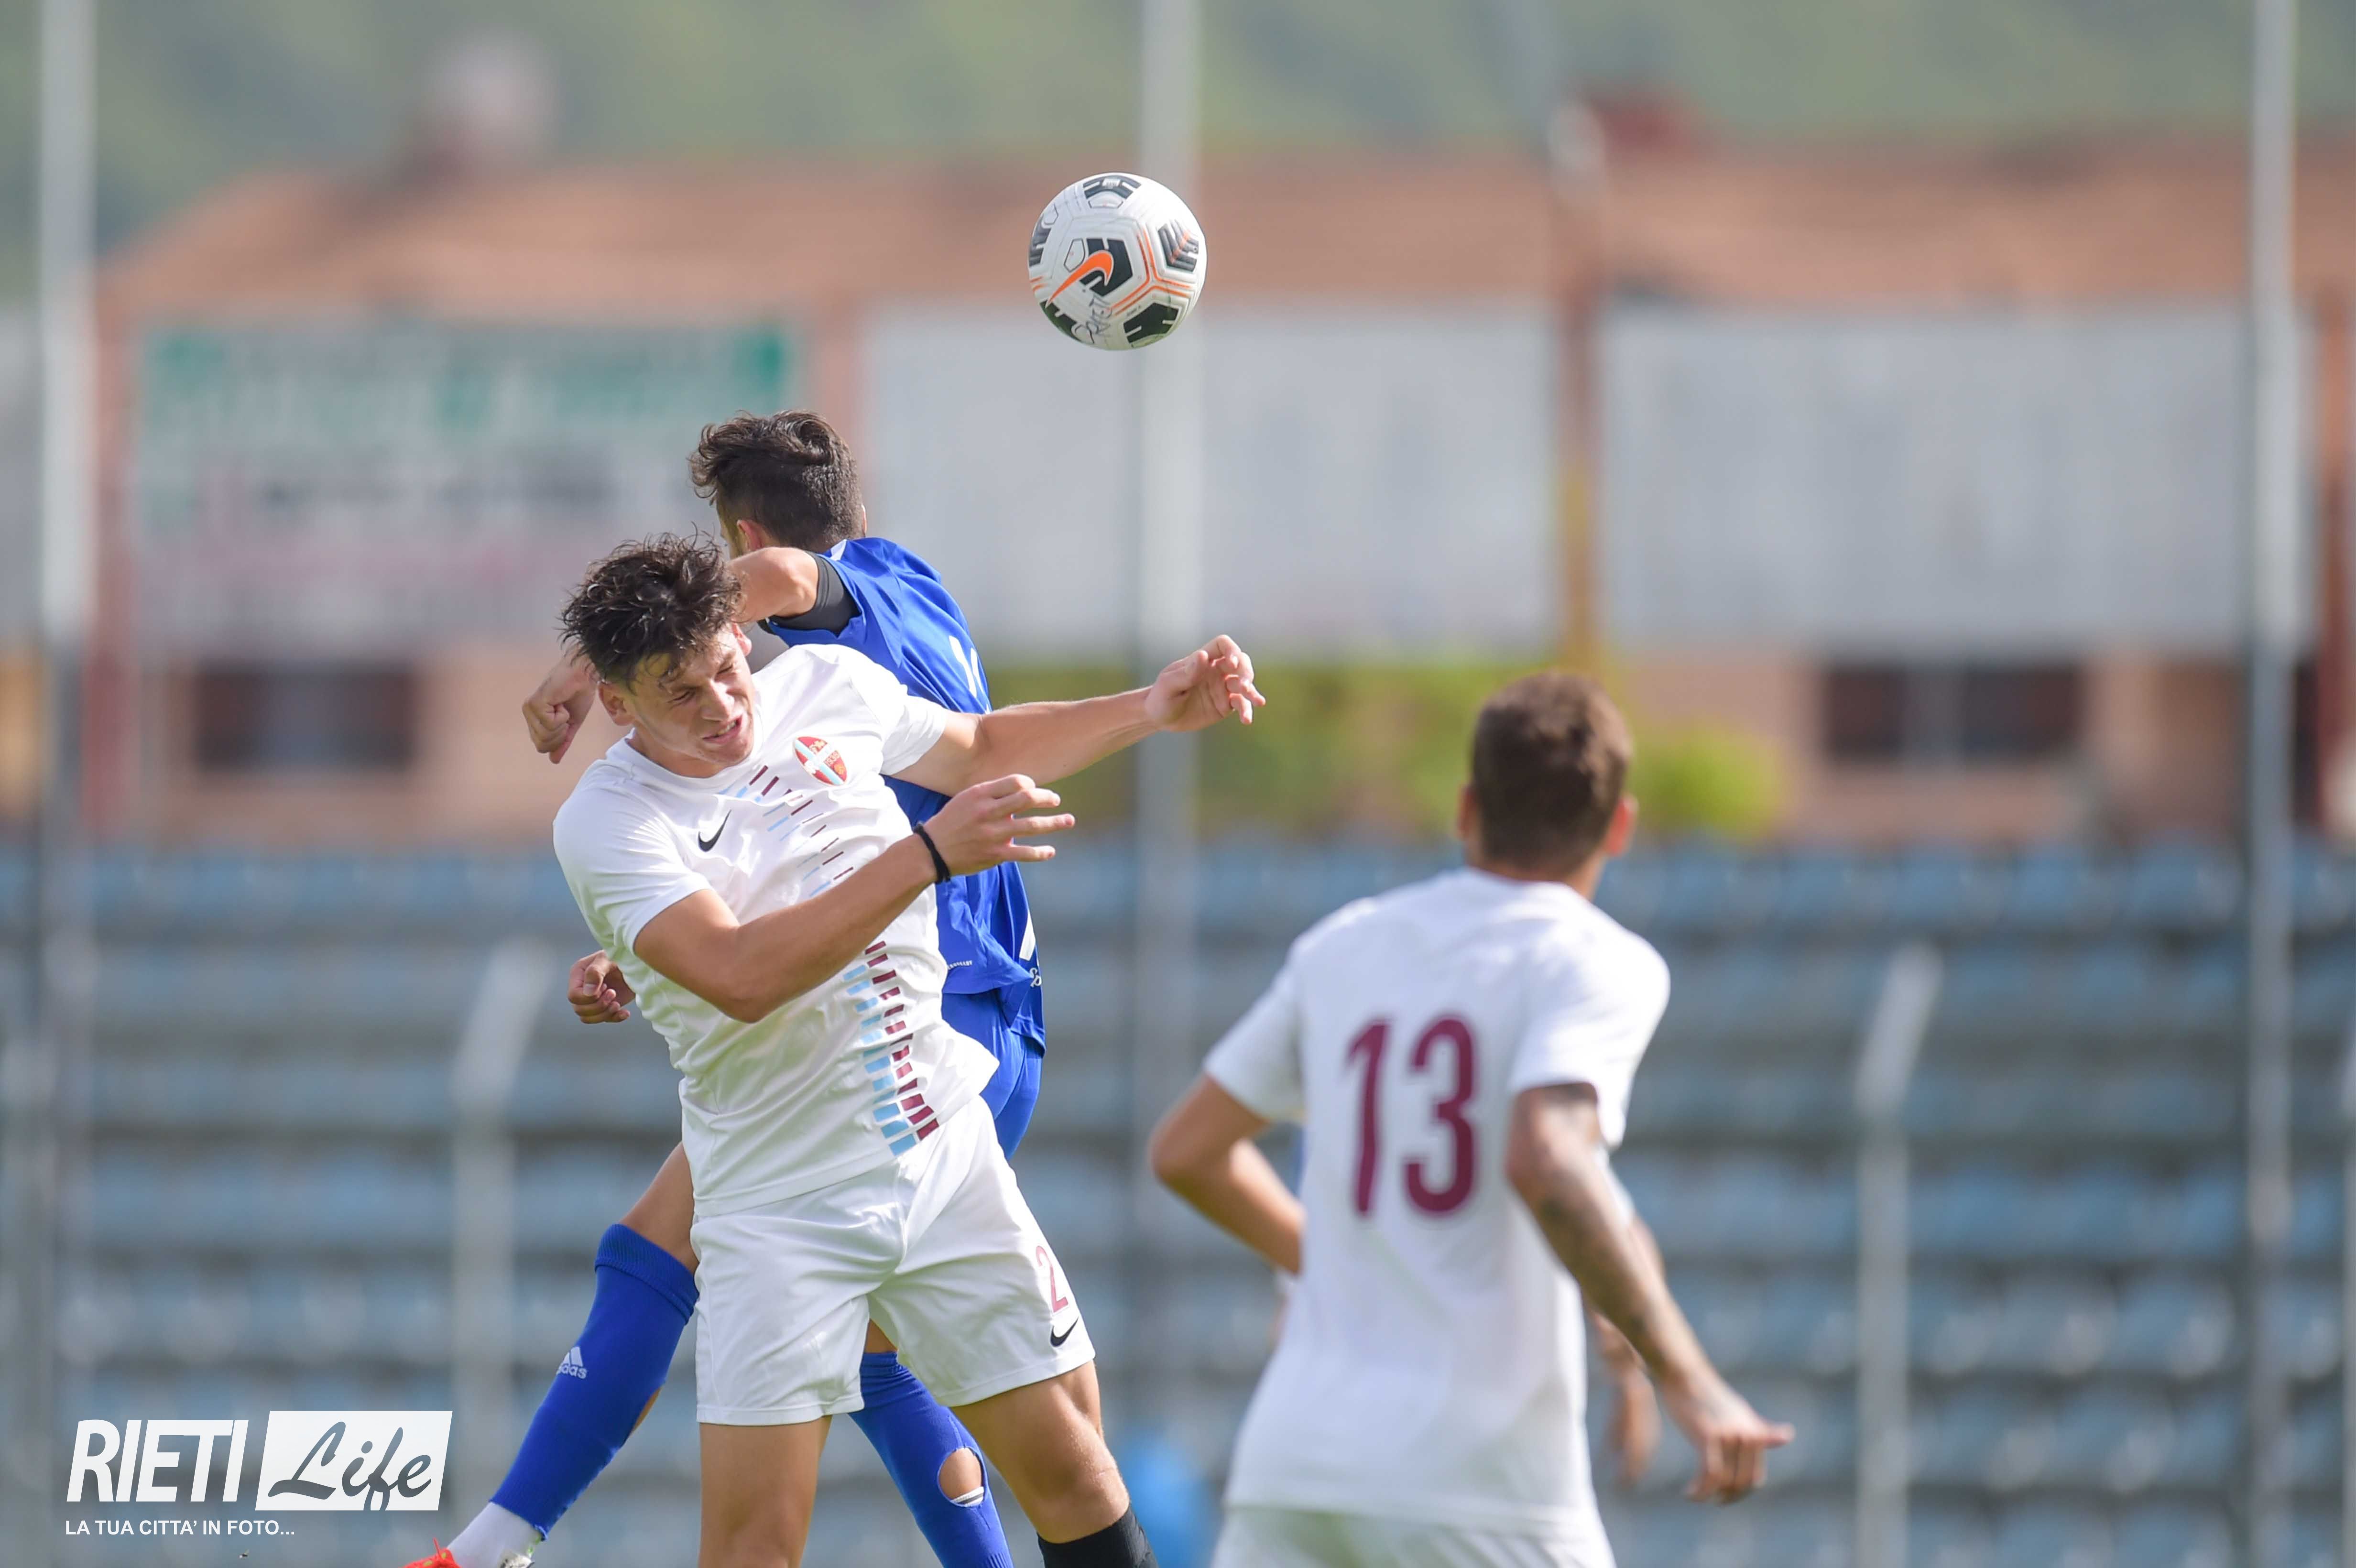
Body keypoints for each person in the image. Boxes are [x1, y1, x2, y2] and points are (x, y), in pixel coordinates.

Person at [417, 412, 1119, 1568]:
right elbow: (762, 870)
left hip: (921, 1012)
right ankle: (500, 1535)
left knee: (721, 1269)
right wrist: (650, 950)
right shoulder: (913, 583)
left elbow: (782, 588)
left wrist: (580, 667)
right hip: (966, 997)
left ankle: (498, 1536)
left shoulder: (817, 614)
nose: (724, 692)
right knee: (1020, 1414)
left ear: (738, 544)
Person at [535, 534, 1256, 1568]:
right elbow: (740, 975)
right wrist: (925, 855)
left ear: (742, 634)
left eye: (729, 668)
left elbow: (980, 746)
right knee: (753, 1546)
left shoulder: (826, 682)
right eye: (680, 694)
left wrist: (1150, 707)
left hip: (938, 1154)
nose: (723, 705)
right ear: (616, 703)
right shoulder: (604, 820)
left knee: (1079, 1477)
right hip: (779, 1206)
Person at [1149, 672, 1789, 1568]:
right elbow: (1551, 1161)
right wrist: (1692, 1380)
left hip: (1296, 1472)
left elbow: (1186, 1152)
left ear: (1465, 809)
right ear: (1620, 827)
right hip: (1480, 1482)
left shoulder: (1343, 946)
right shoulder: (1594, 961)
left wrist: (1343, 1263)